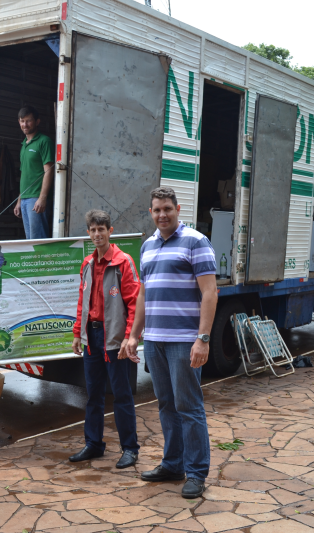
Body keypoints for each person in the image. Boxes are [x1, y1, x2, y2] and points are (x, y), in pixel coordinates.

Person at [123, 186, 217, 499]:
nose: (162, 214)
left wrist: (202, 339)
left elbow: (209, 292)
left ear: (177, 209)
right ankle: (173, 463)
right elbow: (144, 294)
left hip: (183, 341)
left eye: (168, 209)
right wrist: (134, 335)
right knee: (166, 405)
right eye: (157, 210)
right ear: (150, 212)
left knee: (188, 407)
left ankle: (196, 472)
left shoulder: (195, 241)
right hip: (155, 341)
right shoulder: (148, 246)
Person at [69, 209, 141, 469]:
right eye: (93, 230)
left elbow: (135, 303)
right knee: (93, 395)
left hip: (114, 339)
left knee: (121, 395)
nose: (97, 234)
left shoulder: (123, 262)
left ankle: (130, 448)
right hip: (92, 337)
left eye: (102, 229)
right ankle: (94, 444)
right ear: (88, 233)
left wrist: (130, 337)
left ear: (110, 231)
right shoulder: (87, 263)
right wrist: (78, 333)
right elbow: (82, 301)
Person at [14, 105, 54, 239]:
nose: (25, 124)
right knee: (30, 242)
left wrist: (42, 198)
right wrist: (19, 200)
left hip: (36, 198)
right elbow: (24, 175)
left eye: (28, 120)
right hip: (25, 199)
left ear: (37, 122)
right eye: (22, 120)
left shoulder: (44, 141)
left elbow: (49, 170)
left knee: (38, 241)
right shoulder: (24, 144)